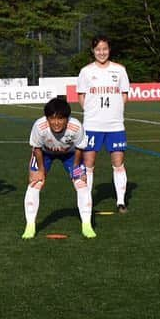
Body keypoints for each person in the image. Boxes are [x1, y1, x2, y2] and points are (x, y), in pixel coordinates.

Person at [23, 97, 95, 240]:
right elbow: (36, 148)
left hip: (70, 154)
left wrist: (75, 169)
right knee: (35, 182)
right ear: (47, 118)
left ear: (67, 119)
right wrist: (41, 170)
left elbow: (80, 148)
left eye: (61, 119)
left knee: (81, 184)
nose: (56, 123)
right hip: (44, 154)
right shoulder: (39, 126)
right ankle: (30, 225)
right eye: (52, 118)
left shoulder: (76, 127)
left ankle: (87, 225)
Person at [76, 35, 131, 212]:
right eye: (98, 49)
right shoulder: (86, 71)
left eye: (105, 49)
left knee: (118, 162)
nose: (102, 52)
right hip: (92, 125)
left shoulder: (120, 70)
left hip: (115, 125)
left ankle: (121, 201)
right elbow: (81, 96)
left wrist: (116, 110)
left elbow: (124, 93)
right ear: (93, 51)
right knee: (88, 164)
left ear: (109, 49)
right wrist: (92, 113)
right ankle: (87, 201)